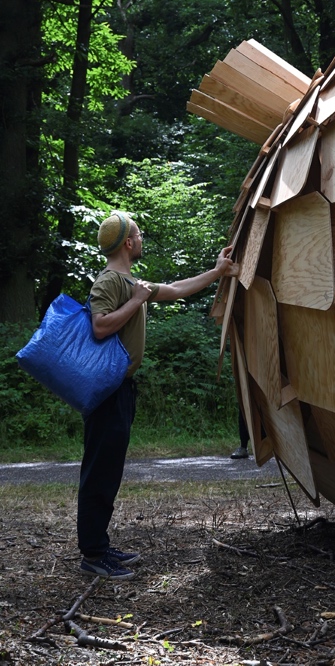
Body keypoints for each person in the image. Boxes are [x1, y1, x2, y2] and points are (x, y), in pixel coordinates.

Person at [77, 211, 233, 580]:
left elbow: (177, 288)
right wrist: (136, 301)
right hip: (107, 389)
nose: (143, 238)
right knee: (99, 471)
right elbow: (99, 326)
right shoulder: (110, 281)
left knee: (108, 470)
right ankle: (93, 555)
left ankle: (99, 543)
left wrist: (217, 271)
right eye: (139, 234)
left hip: (121, 388)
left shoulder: (129, 279)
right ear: (128, 243)